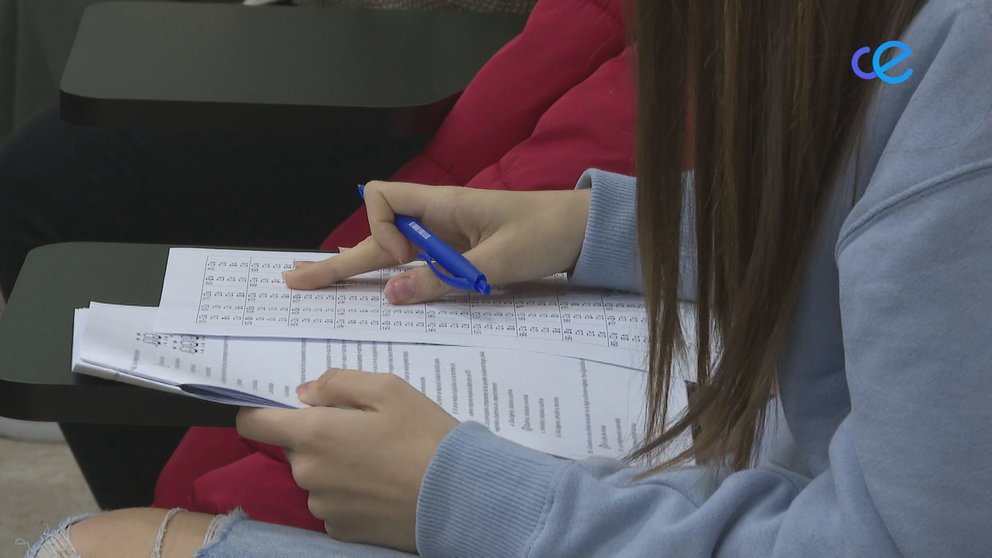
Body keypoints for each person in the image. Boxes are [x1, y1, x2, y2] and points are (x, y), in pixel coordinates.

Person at [26, 0, 992, 556]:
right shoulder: (912, 47)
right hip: (754, 474)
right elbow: (888, 129)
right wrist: (592, 227)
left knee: (79, 549)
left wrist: (458, 494)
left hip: (758, 504)